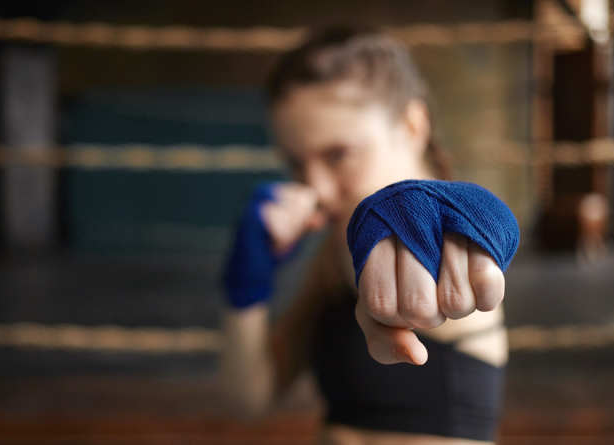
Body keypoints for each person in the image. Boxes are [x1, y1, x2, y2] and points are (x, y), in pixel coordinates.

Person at [221, 26, 519, 444]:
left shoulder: (448, 245)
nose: (317, 188)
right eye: (297, 164)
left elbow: (456, 240)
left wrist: (463, 215)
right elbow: (250, 399)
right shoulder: (333, 255)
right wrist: (245, 285)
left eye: (338, 154)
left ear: (411, 127)